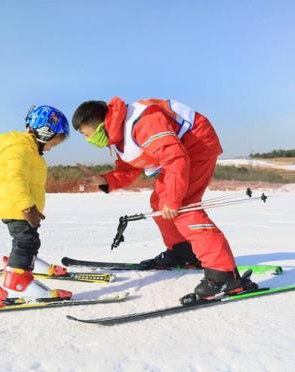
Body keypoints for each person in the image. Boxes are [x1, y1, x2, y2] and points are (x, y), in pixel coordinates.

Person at [72, 98, 257, 298]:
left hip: (197, 145)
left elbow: (175, 157)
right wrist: (103, 179)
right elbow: (129, 169)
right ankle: (182, 251)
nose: (87, 139)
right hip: (180, 155)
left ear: (98, 122)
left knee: (184, 208)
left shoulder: (143, 121)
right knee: (159, 203)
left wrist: (175, 199)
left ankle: (224, 274)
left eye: (85, 133)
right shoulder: (117, 136)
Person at [0, 105, 72, 308]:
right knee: (26, 241)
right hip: (17, 206)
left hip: (21, 206)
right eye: (53, 142)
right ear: (44, 132)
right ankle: (17, 283)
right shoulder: (20, 149)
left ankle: (21, 266)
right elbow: (14, 178)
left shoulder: (29, 150)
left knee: (27, 240)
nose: (52, 147)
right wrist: (27, 206)